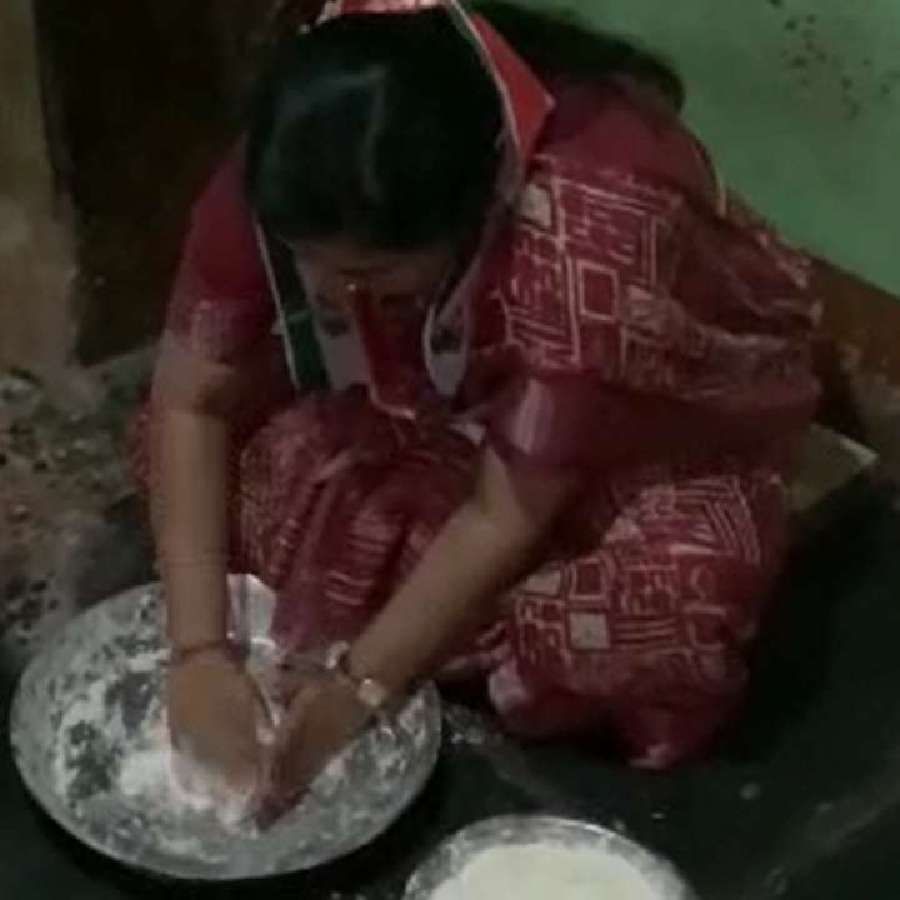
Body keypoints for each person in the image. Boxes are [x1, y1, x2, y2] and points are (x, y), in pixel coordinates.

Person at [133, 0, 819, 818]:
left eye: (370, 278)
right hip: (444, 397)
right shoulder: (295, 166)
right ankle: (441, 610)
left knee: (658, 618)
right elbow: (187, 400)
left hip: (648, 418)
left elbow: (503, 513)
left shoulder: (586, 236)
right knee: (186, 472)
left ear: (471, 217)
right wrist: (198, 654)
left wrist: (356, 691)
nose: (324, 294)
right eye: (307, 263)